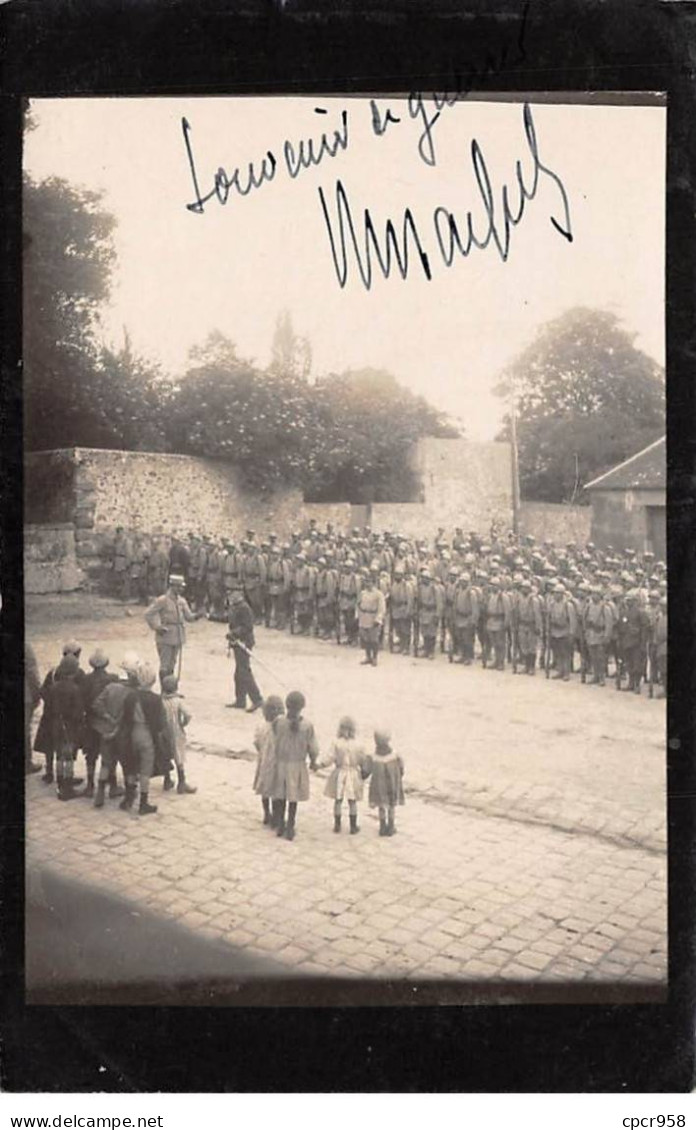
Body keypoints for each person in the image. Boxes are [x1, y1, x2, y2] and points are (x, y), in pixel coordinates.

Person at [90, 652, 141, 809]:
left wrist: (107, 717)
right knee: (127, 766)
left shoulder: (110, 687)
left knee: (106, 764)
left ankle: (100, 793)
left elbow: (96, 704)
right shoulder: (133, 693)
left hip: (106, 731)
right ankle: (129, 793)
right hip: (123, 735)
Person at [120, 660, 171, 815]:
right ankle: (143, 803)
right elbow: (161, 723)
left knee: (131, 766)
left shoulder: (130, 696)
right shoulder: (155, 699)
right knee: (145, 770)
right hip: (146, 735)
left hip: (131, 733)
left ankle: (128, 798)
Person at [33, 639, 85, 783]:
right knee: (68, 747)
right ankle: (67, 777)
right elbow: (83, 695)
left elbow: (43, 691)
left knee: (49, 743)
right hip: (68, 718)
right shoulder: (78, 673)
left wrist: (52, 703)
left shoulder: (53, 671)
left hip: (50, 714)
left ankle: (50, 772)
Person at [270, 691, 319, 841]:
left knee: (280, 795)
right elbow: (313, 747)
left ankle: (280, 825)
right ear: (302, 707)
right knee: (293, 797)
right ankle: (291, 825)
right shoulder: (307, 726)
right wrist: (313, 760)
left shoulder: (279, 722)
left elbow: (274, 735)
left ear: (286, 705)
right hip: (297, 765)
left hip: (281, 763)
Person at [145, 573, 202, 685]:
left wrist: (198, 615)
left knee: (172, 664)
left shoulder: (181, 601)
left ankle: (170, 689)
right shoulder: (163, 600)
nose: (181, 589)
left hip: (178, 636)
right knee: (165, 665)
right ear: (173, 586)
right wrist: (157, 627)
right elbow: (148, 614)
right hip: (165, 636)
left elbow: (188, 617)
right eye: (179, 587)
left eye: (182, 587)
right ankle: (164, 690)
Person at [79, 648, 121, 797]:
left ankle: (90, 785)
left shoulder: (85, 680)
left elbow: (82, 702)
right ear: (107, 663)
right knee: (109, 756)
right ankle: (113, 785)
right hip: (107, 723)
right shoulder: (113, 678)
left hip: (90, 722)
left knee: (90, 755)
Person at [320, 715, 371, 835]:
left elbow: (330, 758)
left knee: (338, 800)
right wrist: (366, 770)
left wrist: (320, 764)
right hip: (353, 774)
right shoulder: (359, 745)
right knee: (352, 801)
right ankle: (353, 826)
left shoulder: (336, 743)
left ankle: (337, 825)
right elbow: (363, 760)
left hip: (339, 773)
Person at [48, 654, 85, 801]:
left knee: (59, 755)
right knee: (69, 756)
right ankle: (68, 788)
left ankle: (60, 782)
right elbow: (78, 713)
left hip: (56, 724)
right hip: (69, 726)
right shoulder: (75, 689)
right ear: (74, 672)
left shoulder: (53, 687)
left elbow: (49, 707)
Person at [226, 590, 263, 712]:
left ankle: (257, 699)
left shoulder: (244, 608)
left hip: (244, 642)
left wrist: (234, 633)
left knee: (244, 672)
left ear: (240, 595)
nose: (230, 596)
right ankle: (240, 700)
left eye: (233, 593)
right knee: (238, 673)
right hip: (237, 642)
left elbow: (247, 627)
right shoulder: (234, 607)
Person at [160, 674, 197, 795]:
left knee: (165, 755)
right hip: (176, 731)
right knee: (178, 756)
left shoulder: (161, 701)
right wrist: (183, 723)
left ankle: (167, 779)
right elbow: (188, 715)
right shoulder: (178, 701)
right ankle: (182, 782)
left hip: (164, 732)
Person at [252, 694, 285, 826]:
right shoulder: (281, 728)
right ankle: (276, 816)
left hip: (263, 761)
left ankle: (266, 813)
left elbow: (256, 742)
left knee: (264, 790)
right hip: (276, 763)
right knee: (276, 789)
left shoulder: (261, 727)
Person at [368, 728, 405, 837]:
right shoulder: (395, 755)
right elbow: (401, 767)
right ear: (389, 739)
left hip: (379, 787)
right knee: (392, 806)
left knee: (381, 806)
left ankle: (382, 827)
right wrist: (400, 775)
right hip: (392, 785)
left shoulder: (374, 757)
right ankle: (391, 827)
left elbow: (368, 770)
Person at [357, 570, 386, 667]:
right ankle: (367, 656)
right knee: (365, 639)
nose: (367, 583)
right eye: (366, 581)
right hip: (364, 617)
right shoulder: (362, 593)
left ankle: (374, 657)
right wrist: (358, 616)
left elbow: (381, 608)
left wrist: (378, 619)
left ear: (373, 583)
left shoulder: (378, 594)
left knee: (373, 639)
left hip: (373, 617)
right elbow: (358, 605)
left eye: (369, 582)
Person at [24, 642, 42, 774]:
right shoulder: (25, 647)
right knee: (24, 730)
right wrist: (36, 695)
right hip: (24, 695)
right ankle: (26, 763)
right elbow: (32, 673)